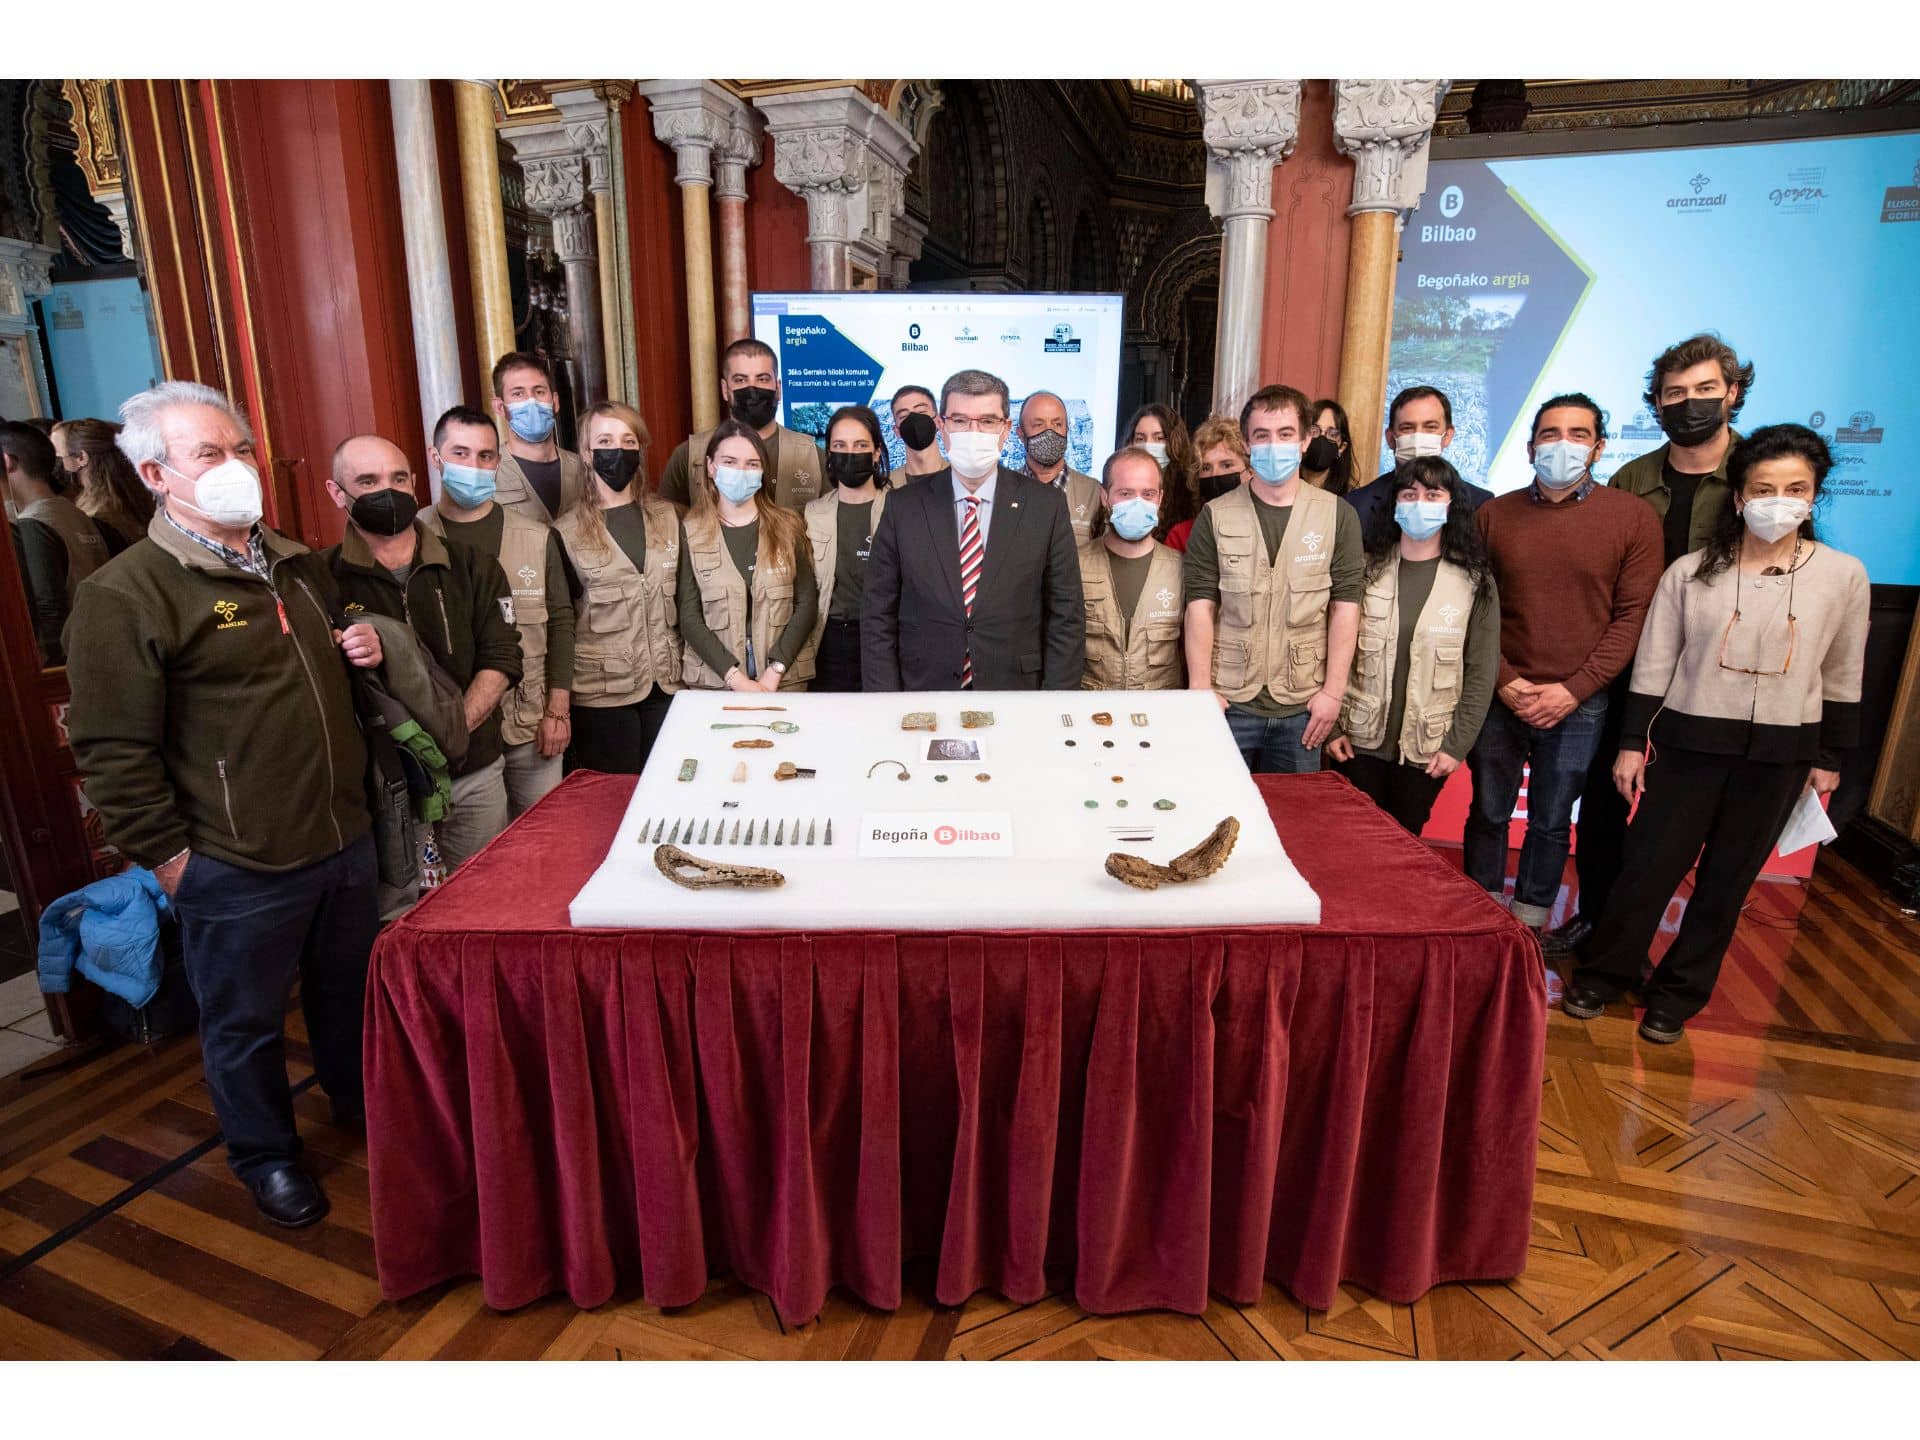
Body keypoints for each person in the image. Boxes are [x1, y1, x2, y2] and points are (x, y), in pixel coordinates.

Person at [64, 381, 385, 1227]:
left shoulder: (295, 562)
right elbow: (112, 753)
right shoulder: (127, 594)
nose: (236, 464)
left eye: (241, 448)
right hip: (234, 862)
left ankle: (359, 1109)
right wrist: (174, 863)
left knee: (346, 994)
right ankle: (267, 1158)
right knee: (242, 1026)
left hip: (342, 839)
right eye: (210, 453)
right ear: (155, 474)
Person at [1565, 424, 1868, 1043]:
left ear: (1814, 497)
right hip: (1687, 745)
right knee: (1646, 868)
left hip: (1783, 750)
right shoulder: (1691, 572)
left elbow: (1842, 671)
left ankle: (1678, 996)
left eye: (1794, 488)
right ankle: (1604, 975)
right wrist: (1631, 744)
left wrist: (1830, 754)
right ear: (1738, 497)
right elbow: (1653, 662)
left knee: (1727, 882)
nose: (1777, 500)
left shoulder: (1843, 576)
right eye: (1763, 488)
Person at [1546, 334, 1748, 955]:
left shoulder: (1755, 473)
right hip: (1632, 665)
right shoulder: (1632, 478)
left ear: (1732, 394)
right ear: (1656, 404)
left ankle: (1665, 948)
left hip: (1720, 674)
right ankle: (1599, 920)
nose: (1690, 404)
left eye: (1705, 391)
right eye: (1675, 394)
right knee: (1604, 804)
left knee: (1684, 817)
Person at [1466, 393, 1663, 934]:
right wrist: (1504, 680)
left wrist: (1575, 690)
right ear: (1530, 448)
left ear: (1599, 448)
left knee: (1552, 822)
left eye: (1578, 435)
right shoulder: (1493, 515)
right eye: (1550, 434)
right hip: (1499, 695)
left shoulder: (1633, 518)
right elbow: (1473, 607)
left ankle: (1528, 924)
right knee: (1488, 812)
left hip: (1581, 702)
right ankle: (1478, 920)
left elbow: (1632, 616)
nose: (1562, 445)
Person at [324, 434, 522, 909]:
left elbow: (501, 658)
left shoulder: (471, 566)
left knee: (486, 901)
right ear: (337, 493)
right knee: (405, 914)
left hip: (475, 769)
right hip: (388, 786)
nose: (386, 492)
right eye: (367, 482)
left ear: (414, 483)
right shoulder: (321, 578)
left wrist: (450, 733)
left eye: (397, 478)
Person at [863, 367, 1085, 691]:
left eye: (987, 421)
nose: (973, 431)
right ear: (941, 426)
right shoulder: (903, 507)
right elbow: (877, 616)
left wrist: (1054, 706)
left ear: (1006, 429)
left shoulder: (1046, 506)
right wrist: (886, 704)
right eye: (960, 420)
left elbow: (1066, 617)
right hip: (923, 693)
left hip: (1016, 693)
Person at [1182, 383, 1362, 773]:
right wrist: (1200, 690)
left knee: (1293, 821)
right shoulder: (1214, 516)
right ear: (1247, 443)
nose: (1273, 445)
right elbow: (1199, 605)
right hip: (1230, 701)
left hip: (1301, 705)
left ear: (1305, 440)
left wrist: (1333, 693)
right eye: (1261, 435)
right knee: (1222, 813)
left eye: (1285, 434)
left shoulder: (1338, 516)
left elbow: (1346, 608)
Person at [1324, 457, 1500, 833]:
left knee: (1405, 844)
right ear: (1395, 503)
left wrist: (1457, 746)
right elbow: (1330, 647)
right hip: (1357, 741)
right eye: (1410, 493)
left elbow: (1482, 672)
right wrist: (1333, 728)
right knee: (1353, 840)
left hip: (1427, 749)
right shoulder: (1363, 569)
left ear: (1452, 505)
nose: (1420, 502)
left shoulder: (1474, 582)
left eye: (1433, 494)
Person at [418, 404, 575, 816]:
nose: (474, 465)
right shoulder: (412, 538)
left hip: (527, 723)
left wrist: (558, 709)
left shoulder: (536, 537)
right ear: (436, 459)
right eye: (461, 454)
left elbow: (561, 622)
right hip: (454, 731)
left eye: (485, 456)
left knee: (542, 846)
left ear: (498, 461)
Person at [551, 401, 685, 773]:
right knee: (613, 803)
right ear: (586, 452)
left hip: (669, 685)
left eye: (628, 441)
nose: (618, 451)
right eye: (606, 440)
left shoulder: (669, 516)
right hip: (603, 695)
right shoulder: (564, 532)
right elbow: (560, 624)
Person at [676, 418, 819, 691]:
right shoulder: (690, 532)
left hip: (783, 680)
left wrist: (774, 671)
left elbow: (807, 604)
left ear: (763, 471)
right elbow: (689, 616)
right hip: (718, 683)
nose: (741, 471)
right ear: (710, 467)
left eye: (752, 464)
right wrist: (736, 679)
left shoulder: (789, 526)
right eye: (730, 462)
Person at [660, 338, 824, 510]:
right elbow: (667, 523)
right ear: (725, 389)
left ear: (778, 388)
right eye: (740, 380)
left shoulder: (812, 455)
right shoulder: (690, 454)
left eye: (762, 379)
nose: (752, 389)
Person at [795, 405, 891, 692]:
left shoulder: (901, 509)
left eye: (860, 445)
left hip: (883, 641)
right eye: (840, 445)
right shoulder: (812, 513)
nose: (850, 453)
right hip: (828, 643)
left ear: (876, 452)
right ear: (830, 453)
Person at [1079, 446, 1185, 690]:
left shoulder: (1180, 570)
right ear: (1105, 497)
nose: (1137, 503)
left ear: (1160, 498)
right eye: (1125, 493)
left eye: (1147, 494)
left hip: (1157, 716)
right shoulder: (1076, 566)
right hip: (1092, 715)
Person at [2, 419, 108, 664]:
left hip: (75, 662)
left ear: (7, 462)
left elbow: (49, 611)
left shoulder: (33, 524)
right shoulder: (77, 514)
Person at [1344, 386, 1494, 531]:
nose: (1418, 437)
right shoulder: (1355, 506)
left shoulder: (1480, 504)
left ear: (1448, 436)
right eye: (1407, 428)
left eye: (1430, 427)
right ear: (1390, 438)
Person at [490, 351, 587, 523]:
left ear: (555, 402)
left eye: (539, 392)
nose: (531, 401)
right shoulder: (487, 475)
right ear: (499, 407)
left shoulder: (584, 469)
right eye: (518, 394)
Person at [55, 417, 153, 554]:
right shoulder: (136, 495)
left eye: (57, 454)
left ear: (81, 458)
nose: (55, 462)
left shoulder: (97, 517)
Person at [1017, 390, 1099, 541]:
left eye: (1057, 424)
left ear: (1067, 430)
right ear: (1021, 434)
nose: (1050, 432)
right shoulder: (1003, 490)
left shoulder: (1094, 494)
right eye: (1038, 424)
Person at [1166, 415, 1248, 552]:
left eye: (1226, 465)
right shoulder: (1182, 535)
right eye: (1206, 468)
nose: (1215, 474)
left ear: (1250, 471)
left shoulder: (1267, 529)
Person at [1123, 402, 1196, 536]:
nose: (1148, 445)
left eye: (1159, 438)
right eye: (1140, 438)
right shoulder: (1119, 487)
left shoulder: (1189, 493)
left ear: (1175, 443)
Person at [889, 384, 945, 481]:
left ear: (938, 422)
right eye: (903, 416)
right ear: (897, 431)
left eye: (921, 412)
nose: (913, 419)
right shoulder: (885, 487)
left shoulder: (964, 480)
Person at [1303, 399, 1355, 496]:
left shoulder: (1351, 499)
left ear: (1342, 448)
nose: (1321, 439)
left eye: (1332, 434)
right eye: (1314, 431)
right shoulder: (1283, 489)